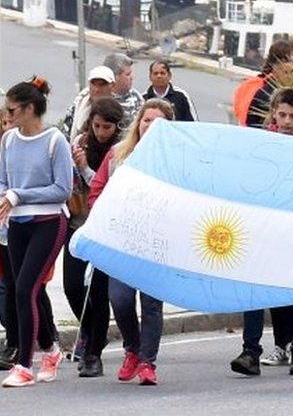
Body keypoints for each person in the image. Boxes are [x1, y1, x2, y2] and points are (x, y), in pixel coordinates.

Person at [89, 98, 175, 386]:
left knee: (151, 304)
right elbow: (96, 192)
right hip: (122, 241)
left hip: (156, 241)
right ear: (138, 123)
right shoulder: (117, 156)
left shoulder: (175, 161)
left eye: (159, 122)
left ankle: (148, 362)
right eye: (147, 120)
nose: (151, 126)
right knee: (120, 299)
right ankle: (132, 349)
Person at [230, 89, 293, 377]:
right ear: (274, 114)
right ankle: (250, 351)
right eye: (282, 115)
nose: (288, 121)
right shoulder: (261, 142)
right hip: (265, 226)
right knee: (253, 287)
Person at [0, 77, 73, 388]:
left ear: (30, 109)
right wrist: (6, 198)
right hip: (17, 223)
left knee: (24, 289)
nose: (8, 115)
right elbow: (3, 181)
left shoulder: (55, 140)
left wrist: (19, 195)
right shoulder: (8, 140)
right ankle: (52, 350)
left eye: (13, 110)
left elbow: (62, 189)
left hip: (49, 222)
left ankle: (24, 366)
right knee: (27, 289)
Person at [64, 98, 125, 378]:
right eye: (97, 125)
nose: (101, 132)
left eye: (107, 127)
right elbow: (71, 183)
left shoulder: (119, 151)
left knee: (98, 293)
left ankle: (93, 354)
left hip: (105, 229)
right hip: (78, 223)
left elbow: (108, 190)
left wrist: (86, 167)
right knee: (72, 287)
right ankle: (89, 330)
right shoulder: (80, 141)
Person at [241, 41, 293, 127]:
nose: (290, 76)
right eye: (286, 72)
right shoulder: (265, 93)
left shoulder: (291, 92)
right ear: (275, 72)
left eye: (292, 72)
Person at [60, 65, 116, 140]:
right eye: (93, 84)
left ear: (112, 86)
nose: (97, 89)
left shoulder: (120, 110)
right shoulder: (77, 107)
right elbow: (65, 135)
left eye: (102, 84)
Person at [103, 53, 145, 125]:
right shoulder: (100, 98)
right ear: (114, 77)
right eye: (128, 74)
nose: (132, 78)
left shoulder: (136, 96)